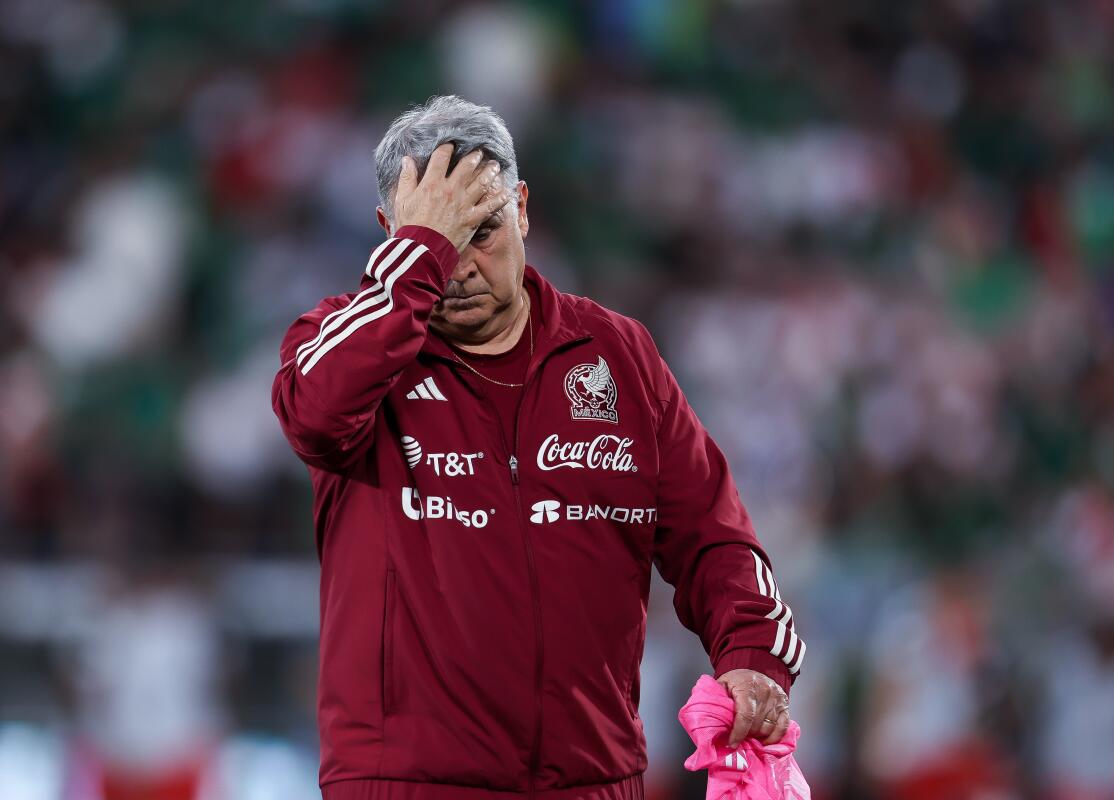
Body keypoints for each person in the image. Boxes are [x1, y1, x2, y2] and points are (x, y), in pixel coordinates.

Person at [271, 95, 806, 800]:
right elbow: (313, 415)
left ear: (522, 207)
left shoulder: (617, 354)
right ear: (388, 234)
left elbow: (715, 536)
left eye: (482, 230)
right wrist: (419, 258)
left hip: (593, 781)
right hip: (408, 785)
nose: (457, 264)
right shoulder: (343, 344)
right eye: (435, 236)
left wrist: (754, 657)